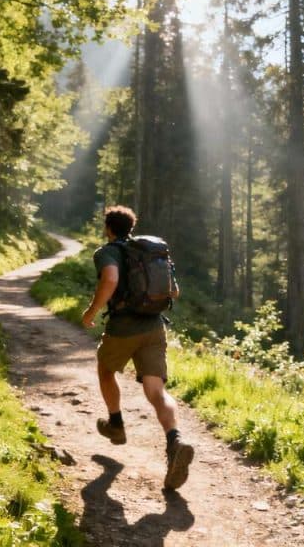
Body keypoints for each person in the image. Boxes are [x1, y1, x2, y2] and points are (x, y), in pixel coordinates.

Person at [81, 205, 193, 491]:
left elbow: (111, 279)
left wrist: (92, 311)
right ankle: (174, 440)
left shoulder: (106, 252)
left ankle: (116, 424)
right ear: (130, 227)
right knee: (157, 392)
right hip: (154, 327)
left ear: (108, 228)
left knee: (106, 370)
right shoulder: (148, 251)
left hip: (123, 328)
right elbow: (174, 291)